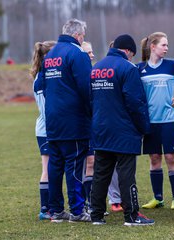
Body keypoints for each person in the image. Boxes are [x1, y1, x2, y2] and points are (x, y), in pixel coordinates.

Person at [90, 34, 154, 226]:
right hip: (124, 130)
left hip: (100, 128)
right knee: (126, 173)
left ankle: (97, 215)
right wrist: (143, 127)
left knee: (101, 173)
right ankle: (132, 216)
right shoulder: (128, 68)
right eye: (131, 54)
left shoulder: (96, 68)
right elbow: (135, 102)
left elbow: (90, 99)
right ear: (127, 51)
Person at [42, 18, 92, 223]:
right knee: (74, 165)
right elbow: (85, 87)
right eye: (83, 36)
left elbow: (45, 88)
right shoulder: (77, 53)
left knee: (55, 165)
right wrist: (92, 111)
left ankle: (55, 210)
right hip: (73, 120)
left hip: (53, 119)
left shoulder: (51, 54)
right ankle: (78, 211)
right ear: (78, 35)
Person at [138, 32, 174, 210]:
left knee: (171, 157)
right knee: (155, 158)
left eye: (167, 45)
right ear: (153, 47)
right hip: (150, 122)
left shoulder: (172, 65)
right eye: (164, 45)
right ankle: (158, 198)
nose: (167, 48)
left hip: (169, 120)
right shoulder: (140, 69)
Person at [30, 40, 56, 220]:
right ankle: (45, 209)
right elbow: (48, 108)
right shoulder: (44, 78)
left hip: (47, 128)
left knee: (52, 168)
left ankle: (51, 206)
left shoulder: (41, 75)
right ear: (48, 56)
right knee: (47, 169)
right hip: (47, 129)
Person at [81, 40, 95, 213]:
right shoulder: (81, 74)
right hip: (81, 125)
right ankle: (83, 201)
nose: (92, 55)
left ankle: (91, 201)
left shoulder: (95, 72)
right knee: (83, 163)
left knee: (92, 162)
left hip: (94, 125)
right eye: (89, 53)